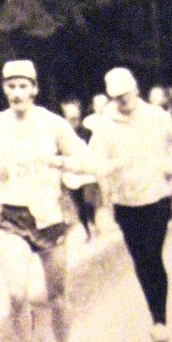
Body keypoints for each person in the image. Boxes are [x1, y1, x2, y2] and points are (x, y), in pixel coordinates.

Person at [0, 60, 91, 342]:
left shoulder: (53, 124)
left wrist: (61, 162)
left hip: (50, 218)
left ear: (34, 89)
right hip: (11, 217)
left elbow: (82, 159)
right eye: (11, 86)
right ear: (4, 90)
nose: (17, 92)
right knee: (16, 294)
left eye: (24, 86)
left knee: (57, 297)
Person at [88, 67, 172, 342]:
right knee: (141, 261)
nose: (122, 101)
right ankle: (155, 314)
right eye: (116, 97)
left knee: (152, 255)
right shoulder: (105, 124)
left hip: (157, 197)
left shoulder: (156, 116)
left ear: (136, 89)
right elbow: (95, 160)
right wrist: (109, 168)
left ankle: (160, 319)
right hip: (125, 202)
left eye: (126, 94)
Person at [60, 99, 97, 240]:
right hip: (71, 176)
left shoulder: (87, 132)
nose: (74, 122)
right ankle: (87, 230)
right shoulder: (61, 135)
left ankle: (93, 222)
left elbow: (94, 150)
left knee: (88, 201)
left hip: (86, 173)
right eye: (71, 119)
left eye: (76, 118)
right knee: (78, 205)